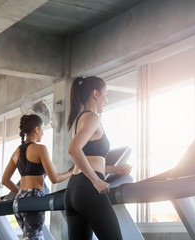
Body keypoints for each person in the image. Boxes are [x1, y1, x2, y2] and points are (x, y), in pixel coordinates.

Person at [64, 76, 132, 240]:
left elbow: (87, 159)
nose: (106, 100)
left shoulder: (79, 120)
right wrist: (96, 180)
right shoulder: (92, 118)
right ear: (96, 93)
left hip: (73, 191)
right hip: (88, 189)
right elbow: (74, 149)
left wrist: (117, 169)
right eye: (106, 94)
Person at [2, 114, 74, 240]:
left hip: (19, 200)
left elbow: (5, 180)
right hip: (34, 198)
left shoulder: (17, 151)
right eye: (42, 129)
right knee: (34, 237)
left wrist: (21, 192)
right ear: (36, 129)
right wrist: (70, 172)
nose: (42, 133)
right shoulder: (40, 149)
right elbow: (54, 178)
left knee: (29, 237)